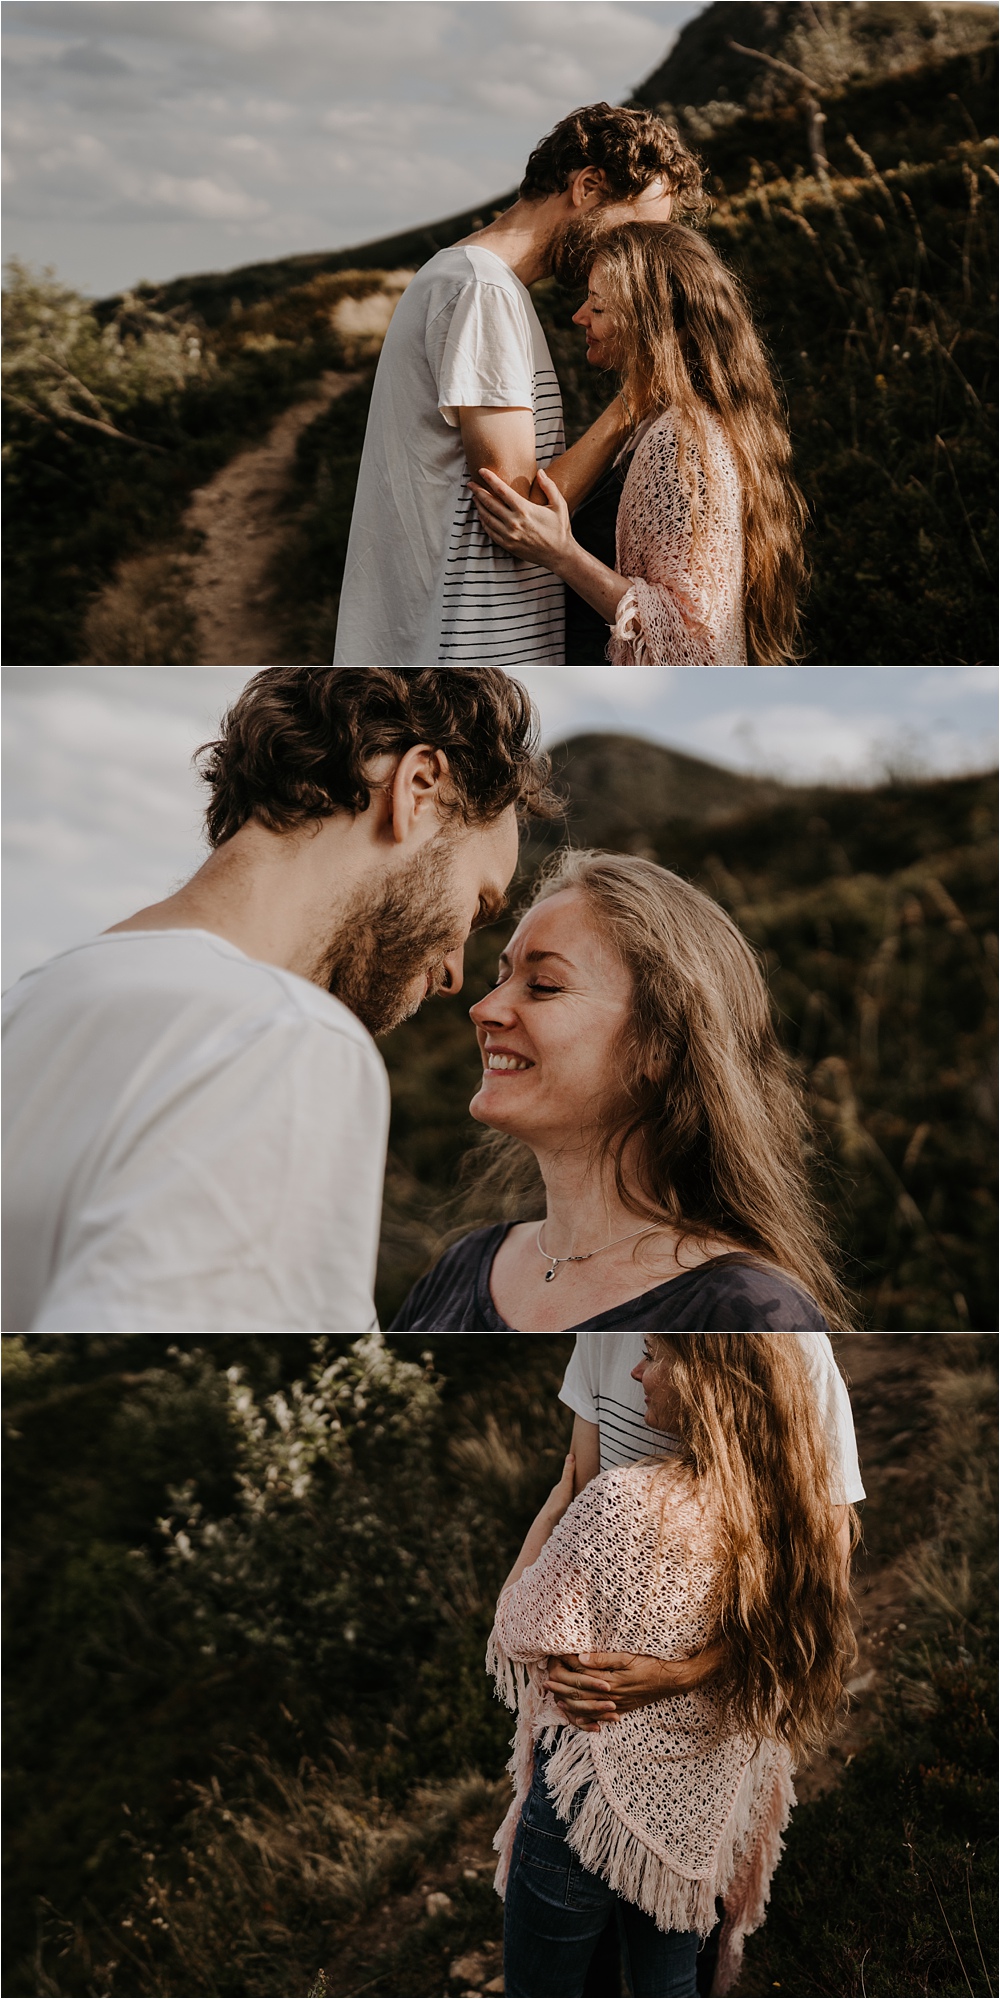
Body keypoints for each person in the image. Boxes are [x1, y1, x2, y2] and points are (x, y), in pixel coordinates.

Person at [1, 669, 555, 1334]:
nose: (453, 972)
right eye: (478, 904)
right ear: (416, 786)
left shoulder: (30, 999)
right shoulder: (283, 1038)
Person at [488, 1335, 858, 1997]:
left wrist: (548, 1517)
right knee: (670, 1985)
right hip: (695, 1810)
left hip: (587, 1791)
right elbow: (807, 1616)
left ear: (706, 1380)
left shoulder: (619, 1501)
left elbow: (518, 1625)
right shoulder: (776, 1526)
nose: (637, 1371)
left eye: (655, 1355)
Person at [391, 847, 852, 1333]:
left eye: (543, 986)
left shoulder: (742, 1307)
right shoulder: (463, 1266)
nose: (483, 1009)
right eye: (501, 977)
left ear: (660, 1046)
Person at [333, 104, 705, 665]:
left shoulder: (468, 279)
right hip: (463, 646)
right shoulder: (482, 291)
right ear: (587, 186)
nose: (634, 254)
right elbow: (518, 510)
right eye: (635, 229)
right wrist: (635, 401)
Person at [471, 221, 809, 666]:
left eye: (599, 306)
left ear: (657, 324)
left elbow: (696, 639)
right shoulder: (659, 420)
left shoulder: (682, 441)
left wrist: (561, 554)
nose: (579, 316)